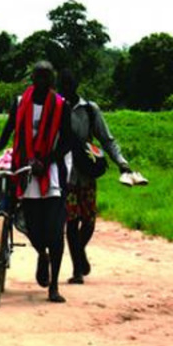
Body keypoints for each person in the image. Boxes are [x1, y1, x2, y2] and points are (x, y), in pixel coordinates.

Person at [0, 61, 77, 303]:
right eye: (37, 77)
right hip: (26, 172)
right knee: (32, 228)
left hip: (51, 173)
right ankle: (42, 255)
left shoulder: (62, 106)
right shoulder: (20, 103)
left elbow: (67, 142)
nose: (41, 82)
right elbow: (5, 135)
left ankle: (53, 287)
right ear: (31, 78)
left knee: (55, 232)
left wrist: (47, 160)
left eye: (46, 78)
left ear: (51, 80)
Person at [57, 69, 136, 285]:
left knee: (89, 221)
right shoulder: (56, 110)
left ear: (76, 85)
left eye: (69, 84)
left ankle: (80, 253)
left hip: (87, 170)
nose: (66, 89)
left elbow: (106, 139)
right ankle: (77, 270)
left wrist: (122, 162)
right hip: (66, 173)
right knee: (72, 222)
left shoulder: (90, 110)